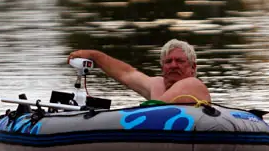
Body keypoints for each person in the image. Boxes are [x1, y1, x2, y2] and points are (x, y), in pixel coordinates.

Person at [68, 39, 211, 103]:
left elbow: (157, 108)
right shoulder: (157, 85)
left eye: (180, 61)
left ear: (193, 68)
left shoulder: (193, 84)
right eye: (168, 61)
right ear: (162, 67)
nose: (173, 65)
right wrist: (95, 56)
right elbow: (127, 73)